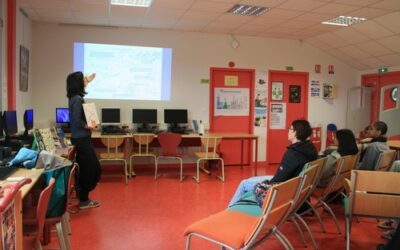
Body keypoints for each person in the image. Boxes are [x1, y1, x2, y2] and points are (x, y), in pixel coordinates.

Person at [228, 119, 318, 207]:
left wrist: (264, 184)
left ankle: (230, 211)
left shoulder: (293, 153)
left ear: (295, 133)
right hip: (296, 185)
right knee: (252, 181)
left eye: (290, 129)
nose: (288, 131)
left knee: (244, 184)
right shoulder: (310, 148)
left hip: (284, 187)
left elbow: (277, 180)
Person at [67, 71, 102, 209]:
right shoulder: (77, 99)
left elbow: (76, 117)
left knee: (86, 169)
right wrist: (87, 126)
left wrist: (89, 79)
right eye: (83, 81)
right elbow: (76, 118)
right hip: (82, 139)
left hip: (80, 138)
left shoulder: (75, 97)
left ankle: (83, 198)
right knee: (92, 169)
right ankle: (83, 200)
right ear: (77, 84)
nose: (85, 83)